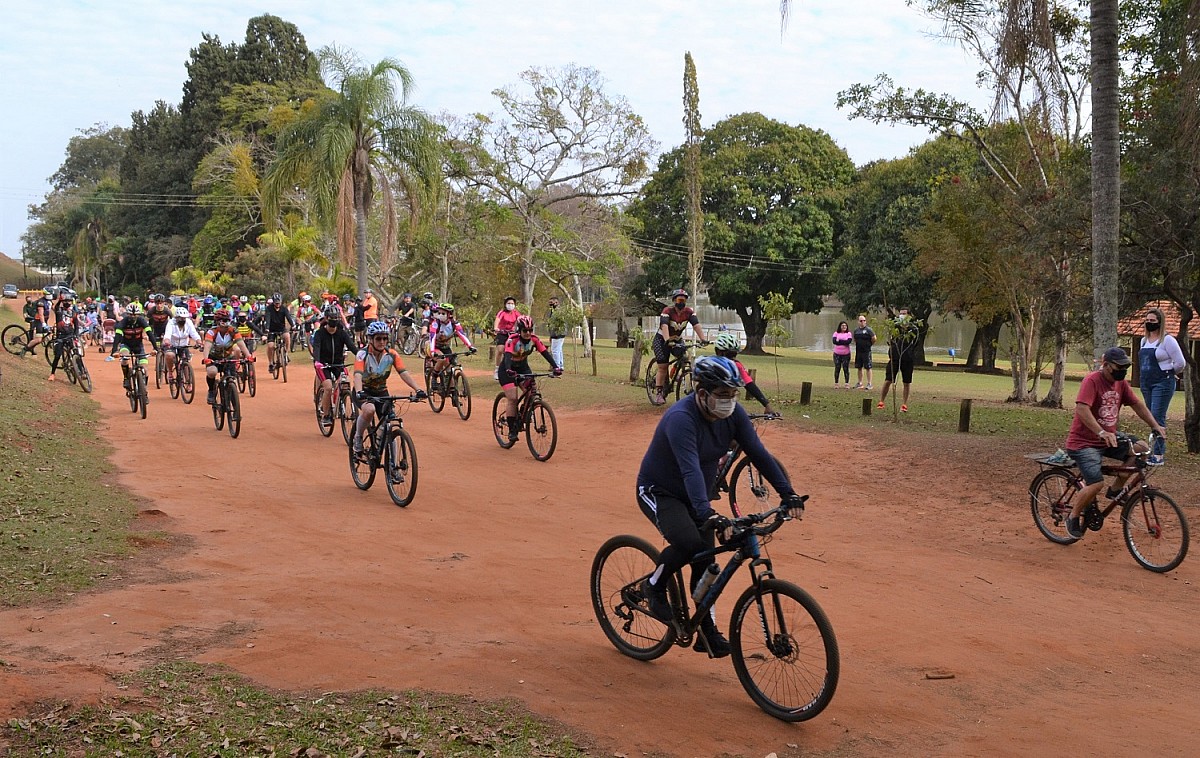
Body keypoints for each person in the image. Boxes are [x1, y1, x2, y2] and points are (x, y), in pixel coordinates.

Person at [636, 356, 803, 658]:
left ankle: (705, 632)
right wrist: (708, 513)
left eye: (733, 395)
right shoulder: (681, 418)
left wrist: (787, 493)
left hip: (696, 493)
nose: (729, 402)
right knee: (688, 543)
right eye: (722, 395)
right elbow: (689, 470)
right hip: (660, 490)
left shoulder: (734, 415)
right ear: (702, 394)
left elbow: (759, 455)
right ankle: (653, 586)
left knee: (705, 559)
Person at [1064, 347, 1166, 539]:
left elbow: (1137, 405)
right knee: (1095, 483)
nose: (1122, 371)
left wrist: (1155, 425)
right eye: (1118, 367)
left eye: (1125, 367)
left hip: (1108, 438)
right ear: (1106, 365)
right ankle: (1073, 516)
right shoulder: (1092, 381)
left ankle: (1116, 489)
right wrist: (1101, 432)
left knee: (1141, 449)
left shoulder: (1121, 384)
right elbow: (1082, 409)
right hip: (1084, 442)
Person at [351, 320, 426, 455]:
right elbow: (357, 375)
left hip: (381, 392)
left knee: (389, 422)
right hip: (364, 391)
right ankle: (358, 437)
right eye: (378, 338)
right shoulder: (363, 354)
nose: (382, 342)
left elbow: (403, 372)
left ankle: (393, 468)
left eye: (385, 338)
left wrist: (418, 389)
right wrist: (359, 391)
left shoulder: (392, 354)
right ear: (370, 339)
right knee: (369, 410)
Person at [497, 315, 561, 442]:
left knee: (532, 390)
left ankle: (524, 411)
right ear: (519, 330)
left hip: (523, 368)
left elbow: (545, 353)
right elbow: (508, 355)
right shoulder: (512, 339)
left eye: (530, 330)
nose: (528, 333)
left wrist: (556, 367)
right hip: (507, 369)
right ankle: (512, 430)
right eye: (525, 330)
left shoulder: (534, 339)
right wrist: (509, 369)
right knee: (513, 398)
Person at [1138, 307, 1186, 464]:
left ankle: (1159, 454)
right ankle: (1152, 450)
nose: (1149, 323)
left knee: (1158, 416)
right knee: (1150, 417)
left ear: (1160, 322)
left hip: (1163, 382)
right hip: (1146, 382)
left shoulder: (1167, 341)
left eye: (1153, 321)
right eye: (1147, 320)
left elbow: (1180, 363)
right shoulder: (1144, 341)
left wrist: (1170, 372)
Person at [651, 288, 707, 406]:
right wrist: (667, 340)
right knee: (662, 366)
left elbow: (696, 325)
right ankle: (659, 392)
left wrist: (703, 339)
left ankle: (680, 380)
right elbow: (664, 325)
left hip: (677, 339)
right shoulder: (667, 311)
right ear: (674, 300)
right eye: (679, 299)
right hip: (662, 339)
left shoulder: (689, 312)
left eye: (683, 300)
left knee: (684, 358)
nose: (681, 302)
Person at [311, 308, 359, 422]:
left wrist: (362, 355)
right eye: (332, 318)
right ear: (327, 319)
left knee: (346, 382)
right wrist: (317, 361)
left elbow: (352, 346)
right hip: (323, 365)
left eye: (337, 318)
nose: (335, 321)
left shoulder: (342, 333)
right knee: (328, 387)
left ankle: (343, 404)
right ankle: (326, 415)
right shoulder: (320, 333)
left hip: (338, 364)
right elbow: (316, 347)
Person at [200, 307, 254, 405]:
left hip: (228, 357)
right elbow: (207, 346)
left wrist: (248, 356)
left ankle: (235, 410)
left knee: (231, 379)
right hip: (214, 358)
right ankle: (211, 391)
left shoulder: (233, 330)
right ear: (218, 321)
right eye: (224, 320)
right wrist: (206, 359)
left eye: (228, 319)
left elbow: (241, 343)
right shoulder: (212, 332)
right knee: (212, 372)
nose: (226, 322)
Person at [713, 332, 775, 415]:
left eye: (734, 354)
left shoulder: (737, 366)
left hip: (728, 403)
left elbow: (750, 385)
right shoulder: (709, 366)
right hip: (709, 404)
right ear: (718, 352)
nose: (733, 358)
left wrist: (766, 404)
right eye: (729, 355)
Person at [877, 308, 918, 413]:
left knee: (906, 382)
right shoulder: (894, 327)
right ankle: (881, 401)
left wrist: (909, 353)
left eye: (904, 314)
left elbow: (915, 343)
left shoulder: (913, 329)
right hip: (895, 358)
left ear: (909, 316)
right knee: (888, 380)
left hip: (908, 359)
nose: (902, 316)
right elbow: (890, 341)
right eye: (900, 314)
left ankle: (904, 404)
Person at [112, 302, 157, 394]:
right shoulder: (123, 322)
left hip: (138, 346)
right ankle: (126, 378)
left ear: (139, 315)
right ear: (127, 314)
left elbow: (150, 334)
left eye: (135, 315)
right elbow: (117, 337)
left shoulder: (142, 321)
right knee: (125, 358)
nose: (133, 316)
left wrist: (155, 348)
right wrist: (114, 351)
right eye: (131, 315)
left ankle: (144, 390)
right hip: (126, 345)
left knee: (145, 367)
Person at [426, 303, 476, 377]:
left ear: (449, 314)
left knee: (449, 367)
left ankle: (451, 386)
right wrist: (433, 351)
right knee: (441, 359)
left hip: (445, 347)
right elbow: (432, 337)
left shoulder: (455, 324)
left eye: (443, 313)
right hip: (434, 347)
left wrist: (470, 347)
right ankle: (434, 377)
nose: (440, 315)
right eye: (439, 313)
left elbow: (462, 335)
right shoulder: (435, 323)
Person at [46, 292, 79, 381]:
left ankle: (81, 371)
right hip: (60, 336)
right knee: (57, 356)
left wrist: (76, 335)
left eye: (68, 301)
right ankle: (52, 374)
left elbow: (76, 326)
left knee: (76, 353)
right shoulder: (59, 311)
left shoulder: (74, 313)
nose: (67, 302)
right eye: (65, 301)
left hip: (70, 335)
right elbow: (56, 307)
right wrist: (59, 300)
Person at [162, 306, 202, 378]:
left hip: (184, 345)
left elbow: (193, 333)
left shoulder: (188, 322)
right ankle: (170, 371)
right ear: (176, 318)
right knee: (169, 355)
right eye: (180, 318)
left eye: (184, 318)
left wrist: (198, 340)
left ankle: (188, 382)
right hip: (172, 344)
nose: (182, 320)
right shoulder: (171, 322)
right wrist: (167, 340)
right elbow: (167, 333)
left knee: (186, 362)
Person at [493, 296, 522, 379]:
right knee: (500, 350)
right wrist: (496, 328)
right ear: (505, 304)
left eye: (512, 303)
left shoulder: (516, 313)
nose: (511, 305)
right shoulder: (502, 312)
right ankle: (497, 369)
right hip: (502, 333)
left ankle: (512, 369)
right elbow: (497, 320)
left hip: (512, 334)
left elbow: (520, 319)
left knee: (514, 351)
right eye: (509, 303)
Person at [852, 314, 876, 390]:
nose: (863, 322)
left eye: (864, 320)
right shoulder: (856, 330)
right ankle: (860, 383)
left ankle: (869, 383)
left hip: (866, 351)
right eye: (861, 321)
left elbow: (874, 338)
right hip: (859, 351)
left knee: (868, 367)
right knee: (859, 367)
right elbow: (854, 339)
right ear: (858, 322)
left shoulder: (869, 330)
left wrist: (869, 345)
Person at [545, 295, 567, 371]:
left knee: (555, 351)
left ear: (556, 302)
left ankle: (557, 366)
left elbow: (555, 323)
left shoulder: (558, 311)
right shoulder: (554, 311)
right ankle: (560, 365)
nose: (550, 304)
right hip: (557, 333)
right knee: (559, 350)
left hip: (558, 333)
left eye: (551, 302)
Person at [831, 320, 853, 389]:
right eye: (842, 326)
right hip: (837, 354)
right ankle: (836, 383)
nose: (844, 327)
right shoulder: (836, 333)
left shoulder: (849, 334)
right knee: (837, 368)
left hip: (846, 354)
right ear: (840, 326)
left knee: (845, 368)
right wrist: (842, 342)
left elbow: (848, 342)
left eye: (845, 326)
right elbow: (834, 342)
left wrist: (839, 341)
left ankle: (846, 383)